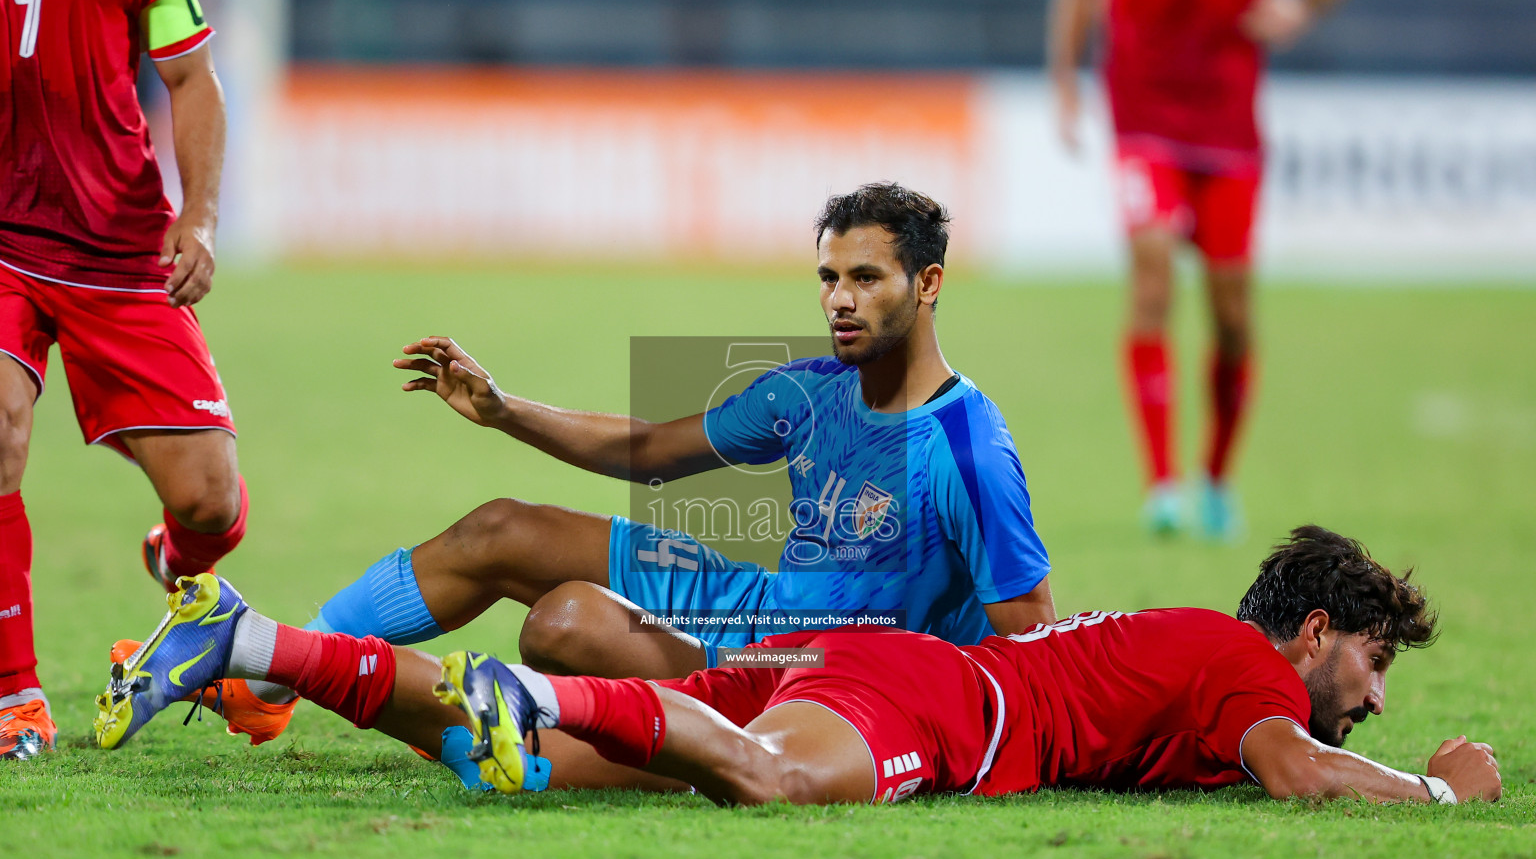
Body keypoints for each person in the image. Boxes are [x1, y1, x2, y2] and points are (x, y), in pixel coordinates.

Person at [128, 183, 1056, 762]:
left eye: (867, 278)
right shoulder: (811, 394)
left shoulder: (967, 450)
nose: (839, 300)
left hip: (803, 675)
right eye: (828, 277)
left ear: (927, 286)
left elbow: (1030, 649)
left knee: (563, 622)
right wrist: (505, 410)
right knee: (502, 530)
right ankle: (267, 681)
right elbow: (650, 451)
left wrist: (907, 728)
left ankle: (515, 729)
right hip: (751, 605)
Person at [99, 526, 1501, 809]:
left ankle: (250, 638)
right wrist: (1443, 790)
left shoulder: (1191, 650)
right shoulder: (1248, 672)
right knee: (767, 785)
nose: (1378, 695)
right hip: (931, 700)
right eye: (1375, 662)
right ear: (1311, 636)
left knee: (495, 763)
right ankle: (549, 688)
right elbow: (1305, 772)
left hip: (840, 652)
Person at [0, 0, 285, 758]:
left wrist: (199, 216)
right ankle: (13, 695)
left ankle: (179, 565)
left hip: (116, 249)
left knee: (208, 499)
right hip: (5, 244)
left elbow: (190, 79)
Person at [1048, 0, 1347, 538]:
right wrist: (1064, 81)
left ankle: (1215, 479)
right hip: (1143, 119)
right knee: (1152, 279)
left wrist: (1304, 7)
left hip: (1227, 127)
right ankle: (1163, 484)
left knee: (1232, 317)